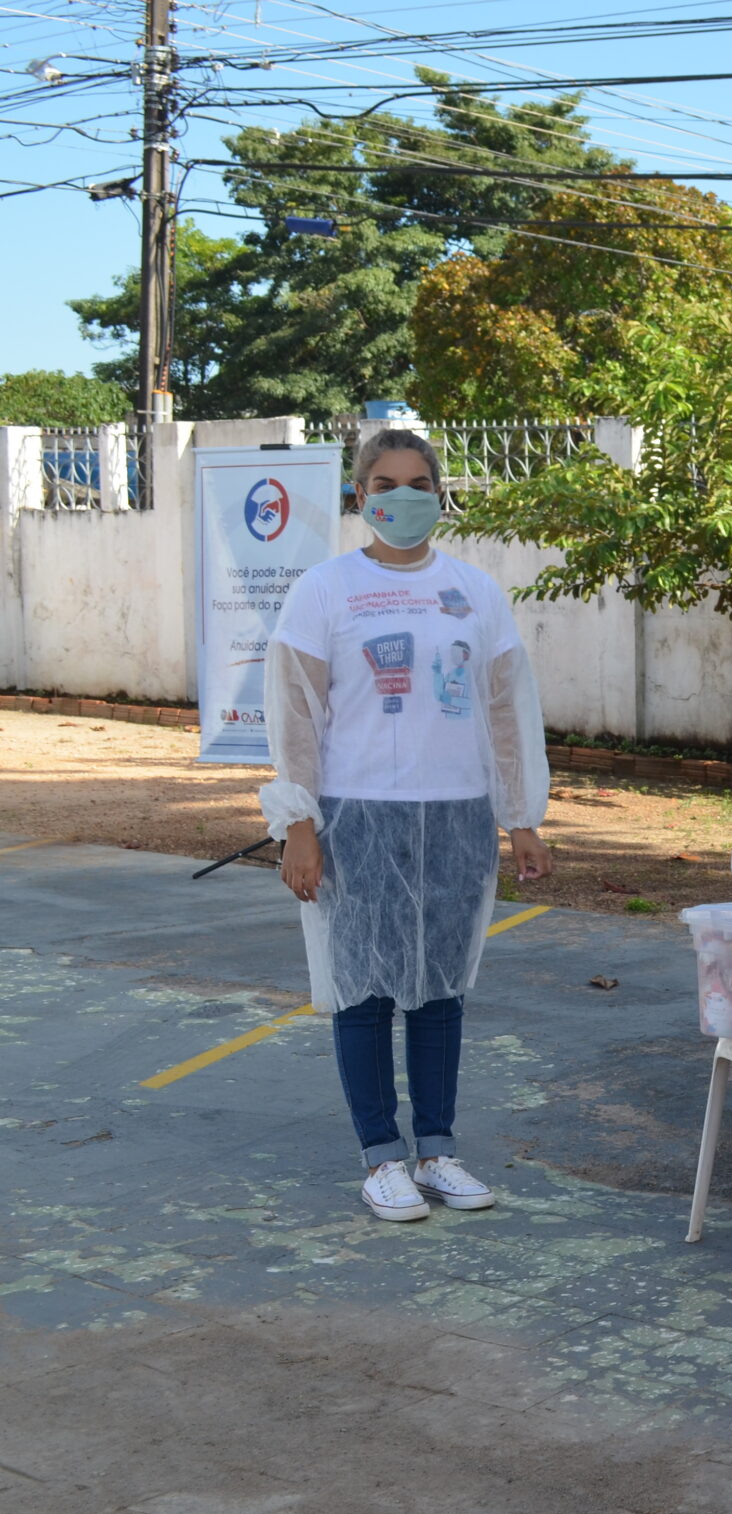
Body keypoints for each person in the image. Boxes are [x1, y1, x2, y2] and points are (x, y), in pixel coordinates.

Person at [259, 429, 552, 1223]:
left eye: (418, 483)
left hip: (457, 813)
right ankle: (381, 1157)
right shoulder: (326, 590)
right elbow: (294, 714)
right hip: (356, 813)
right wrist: (298, 824)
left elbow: (506, 711)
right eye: (384, 484)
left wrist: (521, 818)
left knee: (439, 990)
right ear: (361, 497)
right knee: (363, 990)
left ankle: (437, 1150)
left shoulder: (474, 592)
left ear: (439, 494)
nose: (403, 497)